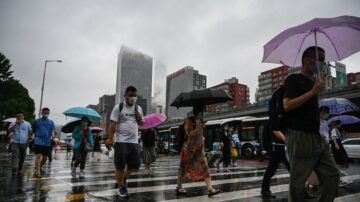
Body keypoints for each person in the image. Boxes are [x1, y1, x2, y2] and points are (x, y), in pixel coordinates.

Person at [283, 46, 339, 202]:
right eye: (320, 59)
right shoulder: (293, 79)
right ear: (307, 60)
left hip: (316, 137)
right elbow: (287, 105)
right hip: (300, 137)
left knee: (332, 174)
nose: (323, 63)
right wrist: (312, 92)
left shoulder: (314, 82)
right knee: (298, 183)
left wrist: (318, 131)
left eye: (324, 60)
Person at [106, 86, 144, 199]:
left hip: (134, 142)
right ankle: (122, 187)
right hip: (121, 141)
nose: (133, 97)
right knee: (120, 166)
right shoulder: (119, 107)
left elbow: (142, 124)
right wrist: (110, 138)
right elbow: (112, 123)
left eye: (135, 95)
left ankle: (123, 178)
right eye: (131, 95)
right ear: (125, 95)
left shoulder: (139, 108)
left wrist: (139, 118)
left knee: (135, 165)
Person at [176, 104, 220, 197]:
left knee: (205, 168)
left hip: (200, 150)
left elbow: (199, 135)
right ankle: (178, 186)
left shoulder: (201, 121)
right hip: (189, 150)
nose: (203, 113)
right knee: (183, 168)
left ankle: (210, 189)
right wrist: (198, 128)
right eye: (202, 111)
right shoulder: (189, 121)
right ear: (198, 111)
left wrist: (201, 131)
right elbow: (189, 134)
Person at [29, 107, 56, 178]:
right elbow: (32, 130)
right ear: (41, 113)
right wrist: (30, 137)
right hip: (38, 140)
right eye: (44, 113)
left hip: (47, 142)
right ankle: (38, 171)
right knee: (38, 156)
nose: (45, 114)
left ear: (49, 113)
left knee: (45, 158)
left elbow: (52, 131)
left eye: (47, 113)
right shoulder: (36, 121)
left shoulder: (51, 122)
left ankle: (38, 166)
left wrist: (53, 138)